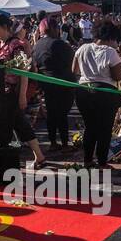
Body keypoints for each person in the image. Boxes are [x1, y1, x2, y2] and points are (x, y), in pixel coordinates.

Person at [0, 14, 46, 168]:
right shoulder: (0, 44)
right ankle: (39, 156)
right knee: (20, 124)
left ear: (5, 27)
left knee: (4, 126)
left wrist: (22, 96)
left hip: (10, 94)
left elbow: (23, 72)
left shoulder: (15, 45)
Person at [73, 18, 121, 168]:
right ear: (111, 37)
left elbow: (74, 70)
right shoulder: (111, 52)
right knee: (105, 128)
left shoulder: (82, 48)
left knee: (90, 127)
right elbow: (118, 76)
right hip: (105, 94)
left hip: (83, 91)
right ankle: (102, 161)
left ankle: (87, 160)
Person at [31, 13, 77, 150]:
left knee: (51, 113)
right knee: (62, 114)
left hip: (46, 84)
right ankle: (64, 144)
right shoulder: (59, 44)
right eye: (57, 28)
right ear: (52, 28)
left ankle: (53, 142)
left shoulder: (37, 45)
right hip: (63, 83)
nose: (59, 30)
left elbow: (35, 64)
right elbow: (72, 61)